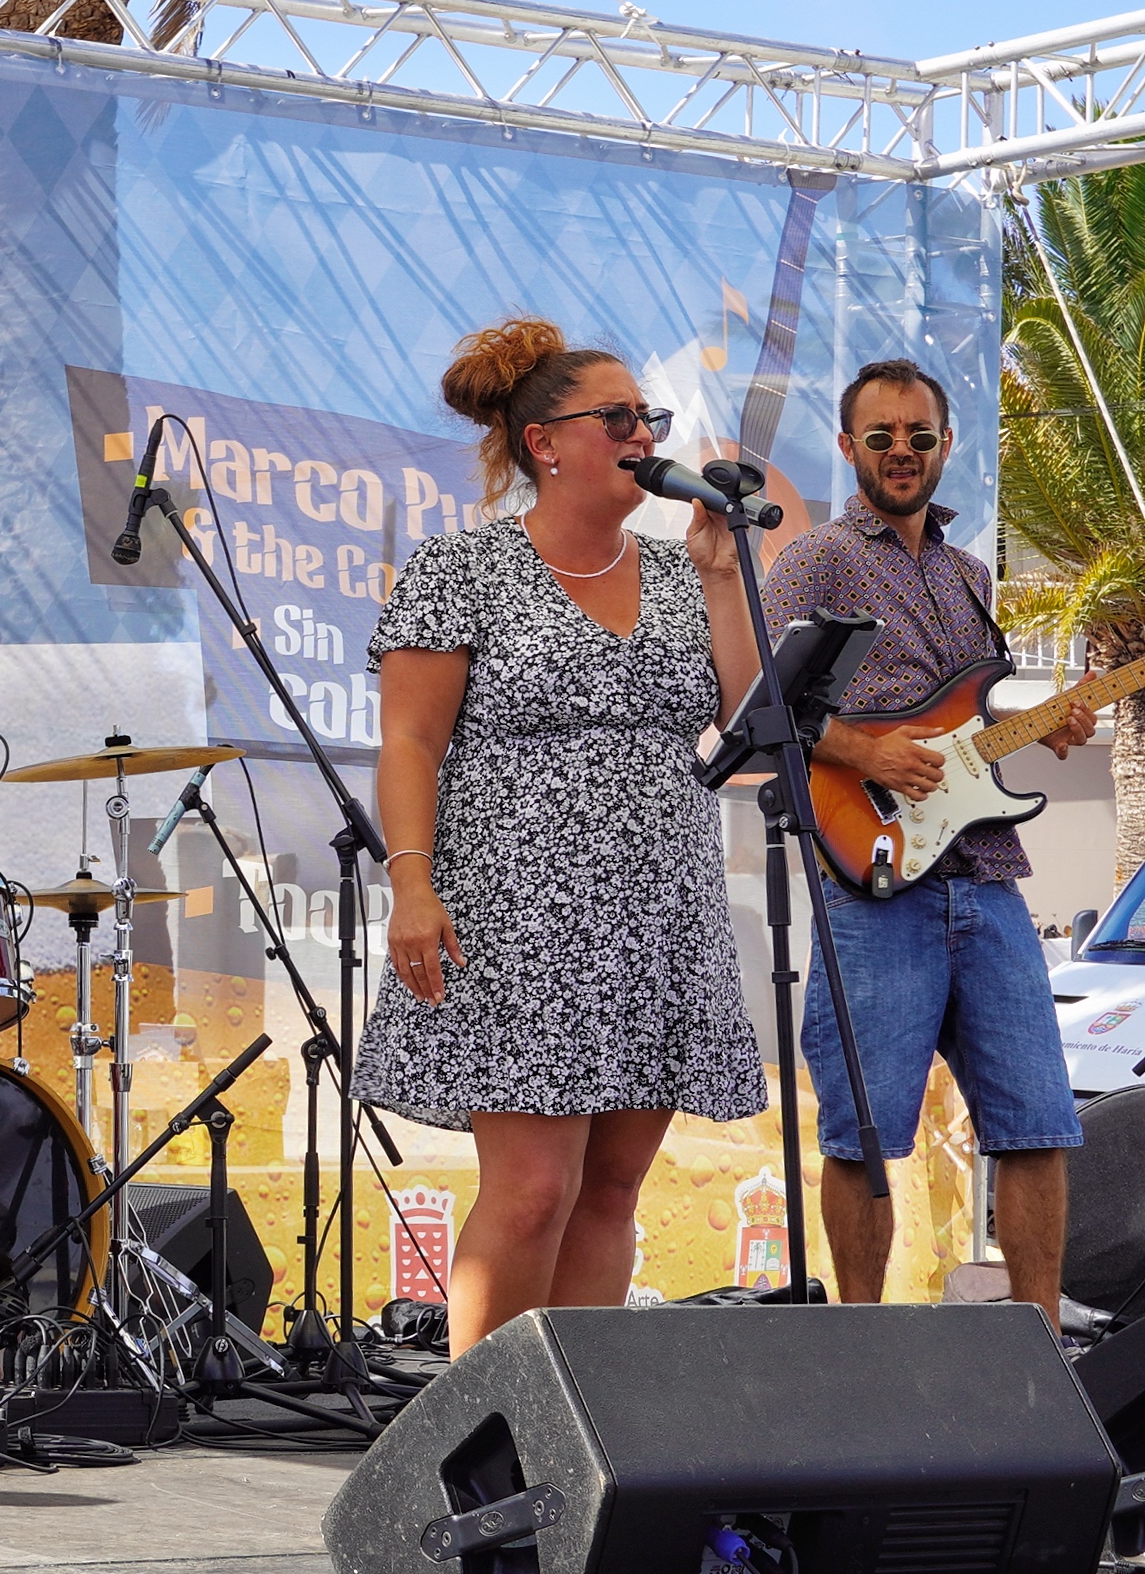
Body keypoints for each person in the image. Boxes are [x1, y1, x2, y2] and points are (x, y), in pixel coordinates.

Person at [357, 317, 767, 1355]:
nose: (643, 435)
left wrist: (723, 573)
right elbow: (407, 740)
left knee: (609, 1189)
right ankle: (484, 1442)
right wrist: (411, 883)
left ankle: (577, 1437)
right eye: (618, 417)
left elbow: (748, 719)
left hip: (658, 913)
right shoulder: (463, 568)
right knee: (534, 1188)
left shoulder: (683, 574)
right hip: (520, 911)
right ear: (544, 442)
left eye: (650, 418)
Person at [762, 359, 1088, 1328]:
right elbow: (760, 707)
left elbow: (969, 726)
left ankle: (1038, 1352)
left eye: (917, 436)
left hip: (985, 881)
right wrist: (864, 748)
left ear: (945, 447)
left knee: (1037, 1125)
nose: (900, 452)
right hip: (874, 884)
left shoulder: (968, 573)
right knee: (864, 1137)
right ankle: (861, 1355)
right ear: (847, 448)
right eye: (880, 437)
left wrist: (1049, 724)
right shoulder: (816, 559)